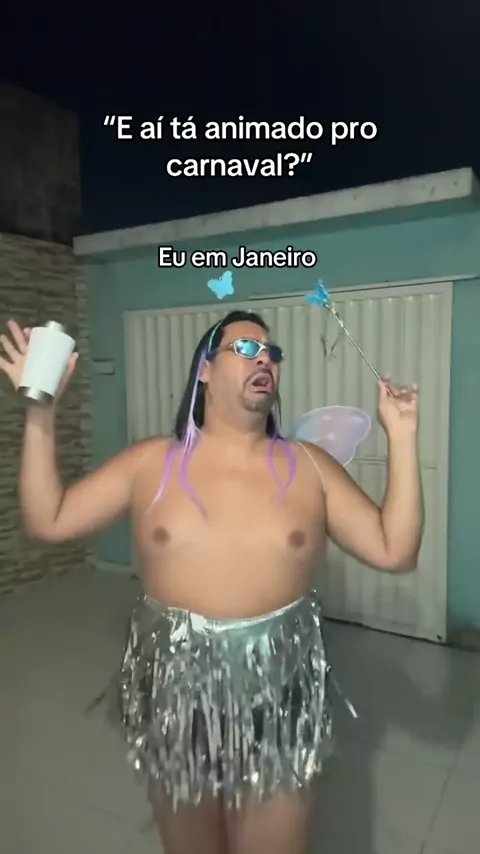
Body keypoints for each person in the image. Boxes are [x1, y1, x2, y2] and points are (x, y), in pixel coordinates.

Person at [0, 311, 423, 854]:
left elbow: (395, 550)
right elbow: (49, 519)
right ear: (205, 369)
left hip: (279, 693)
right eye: (246, 348)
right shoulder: (150, 463)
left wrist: (403, 437)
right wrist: (40, 412)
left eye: (271, 353)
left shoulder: (310, 467)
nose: (264, 359)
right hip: (176, 692)